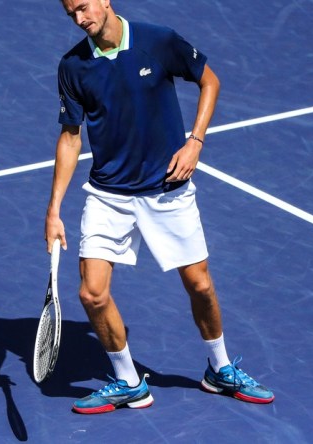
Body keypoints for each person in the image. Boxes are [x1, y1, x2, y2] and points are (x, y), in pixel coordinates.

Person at [45, 0, 274, 414]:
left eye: (83, 8)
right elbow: (70, 138)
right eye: (71, 15)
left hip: (167, 189)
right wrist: (54, 210)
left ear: (104, 0)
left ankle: (219, 370)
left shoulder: (158, 41)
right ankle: (128, 382)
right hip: (109, 196)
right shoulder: (73, 66)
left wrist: (195, 142)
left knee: (200, 285)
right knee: (91, 294)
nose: (80, 20)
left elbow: (210, 82)